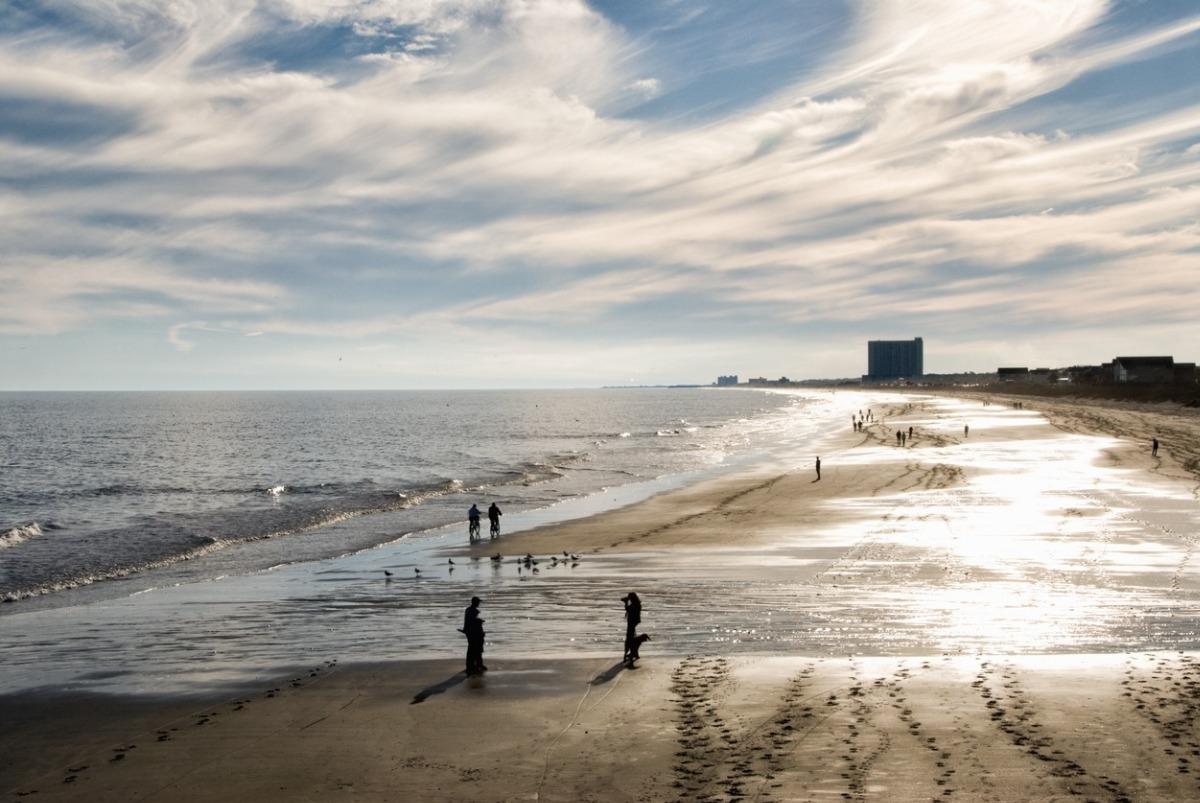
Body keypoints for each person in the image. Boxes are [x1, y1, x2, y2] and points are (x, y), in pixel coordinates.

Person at [462, 596, 486, 675]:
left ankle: (473, 666)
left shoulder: (468, 610)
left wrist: (465, 630)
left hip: (469, 632)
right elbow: (472, 621)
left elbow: (467, 621)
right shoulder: (474, 611)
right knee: (475, 649)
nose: (479, 603)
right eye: (478, 602)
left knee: (472, 649)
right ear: (475, 602)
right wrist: (479, 621)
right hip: (473, 633)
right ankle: (473, 666)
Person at [623, 592, 642, 665]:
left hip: (632, 622)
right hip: (634, 621)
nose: (629, 598)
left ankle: (632, 653)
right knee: (633, 638)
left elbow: (628, 609)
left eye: (629, 597)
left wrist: (626, 602)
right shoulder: (636, 603)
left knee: (630, 638)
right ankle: (634, 653)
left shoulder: (635, 604)